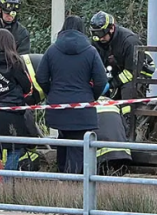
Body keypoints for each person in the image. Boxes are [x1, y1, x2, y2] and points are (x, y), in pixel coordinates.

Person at [39, 15, 107, 174]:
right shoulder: (90, 51)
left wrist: (53, 94)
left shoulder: (52, 50)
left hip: (58, 108)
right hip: (82, 109)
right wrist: (91, 97)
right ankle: (73, 189)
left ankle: (63, 185)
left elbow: (41, 77)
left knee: (63, 143)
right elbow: (101, 81)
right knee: (78, 151)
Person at [0, 28, 38, 174]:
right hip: (12, 112)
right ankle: (6, 181)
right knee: (15, 148)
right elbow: (26, 86)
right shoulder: (14, 62)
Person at [90, 11, 143, 138]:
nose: (100, 38)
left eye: (102, 34)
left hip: (136, 74)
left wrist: (111, 84)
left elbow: (132, 72)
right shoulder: (98, 41)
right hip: (114, 72)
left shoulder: (129, 41)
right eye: (96, 34)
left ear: (112, 28)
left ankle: (128, 131)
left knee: (127, 93)